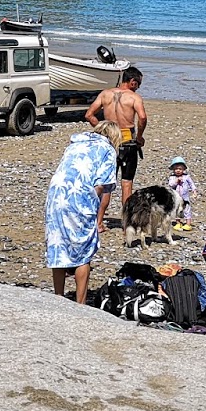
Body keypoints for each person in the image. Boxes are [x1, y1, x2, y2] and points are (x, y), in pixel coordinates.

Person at [45, 120, 120, 305]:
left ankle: (58, 297)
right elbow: (101, 184)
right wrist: (92, 206)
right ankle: (80, 304)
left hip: (55, 195)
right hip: (80, 196)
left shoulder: (75, 144)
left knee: (59, 245)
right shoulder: (108, 150)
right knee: (83, 251)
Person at [84, 66, 147, 212]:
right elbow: (142, 117)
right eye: (138, 84)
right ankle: (126, 222)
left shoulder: (105, 94)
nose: (138, 88)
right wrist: (139, 137)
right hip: (128, 142)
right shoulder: (133, 97)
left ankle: (99, 222)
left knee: (106, 182)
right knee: (126, 183)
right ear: (132, 82)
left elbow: (89, 115)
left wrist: (104, 129)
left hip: (110, 141)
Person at [166, 156, 197, 235]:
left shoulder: (186, 177)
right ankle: (178, 223)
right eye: (176, 169)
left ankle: (188, 224)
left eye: (180, 169)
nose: (178, 171)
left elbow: (191, 184)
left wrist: (194, 191)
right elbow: (170, 185)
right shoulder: (172, 177)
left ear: (183, 169)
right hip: (176, 198)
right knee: (177, 210)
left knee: (187, 210)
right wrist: (176, 181)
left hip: (185, 197)